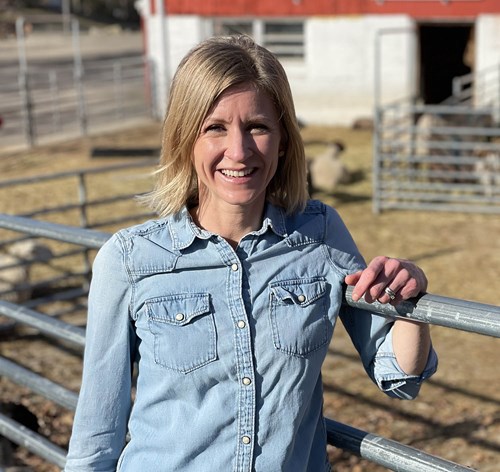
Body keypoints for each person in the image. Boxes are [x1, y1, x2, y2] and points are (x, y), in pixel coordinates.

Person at [64, 35, 437, 472]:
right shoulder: (128, 260)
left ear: (282, 139)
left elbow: (400, 376)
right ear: (186, 139)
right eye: (214, 128)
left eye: (257, 126)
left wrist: (410, 299)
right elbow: (95, 442)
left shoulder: (321, 234)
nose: (238, 151)